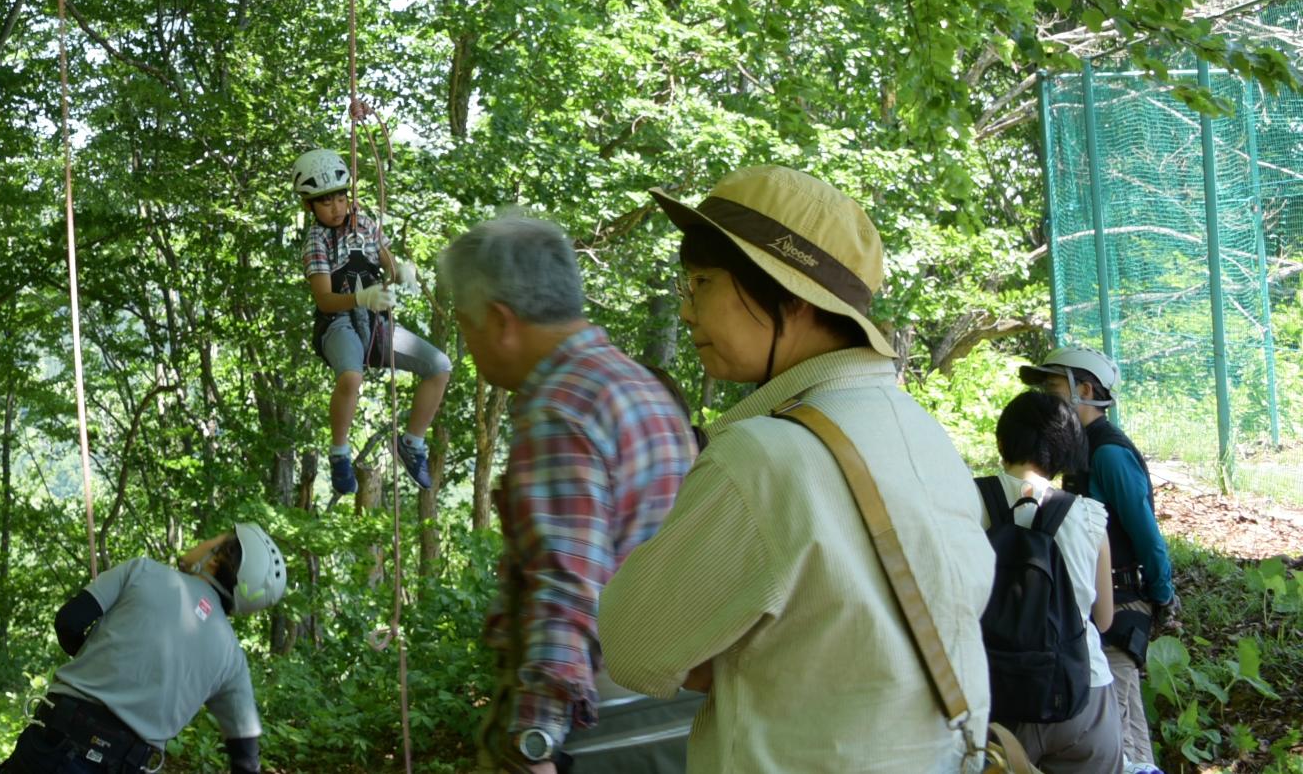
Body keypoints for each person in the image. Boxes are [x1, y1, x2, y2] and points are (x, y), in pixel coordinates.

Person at [600, 165, 996, 774]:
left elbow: (632, 647)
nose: (687, 311)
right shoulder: (922, 434)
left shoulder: (762, 457)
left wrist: (732, 650)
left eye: (701, 281)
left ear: (788, 295)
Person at [438, 214, 694, 774]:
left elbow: (567, 583)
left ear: (501, 321)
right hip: (674, 717)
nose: (468, 344)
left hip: (591, 731)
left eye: (466, 325)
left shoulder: (558, 410)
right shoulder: (639, 386)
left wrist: (534, 739)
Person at [0, 522, 286, 774]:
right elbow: (246, 756)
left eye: (216, 539)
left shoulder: (143, 571)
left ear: (215, 559)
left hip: (56, 741)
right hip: (127, 764)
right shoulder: (232, 659)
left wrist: (94, 658)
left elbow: (68, 621)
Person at [1021, 347, 1177, 773]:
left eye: (1053, 386)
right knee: (1126, 727)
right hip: (1096, 607)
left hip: (1121, 606)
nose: (1046, 396)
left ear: (1084, 390)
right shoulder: (1080, 449)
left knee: (1124, 733)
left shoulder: (1107, 453)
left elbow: (1146, 532)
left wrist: (1163, 593)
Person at [292, 147, 451, 494]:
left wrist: (401, 272)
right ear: (309, 206)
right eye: (325, 202)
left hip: (376, 322)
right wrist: (360, 298)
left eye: (339, 199)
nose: (335, 208)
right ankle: (339, 453)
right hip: (338, 323)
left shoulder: (364, 224)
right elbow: (323, 298)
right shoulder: (315, 243)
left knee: (439, 366)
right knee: (351, 375)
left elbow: (387, 265)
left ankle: (412, 444)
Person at [977, 389, 1119, 774]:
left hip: (993, 697)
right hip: (1082, 695)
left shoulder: (964, 501)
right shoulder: (1089, 516)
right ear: (1066, 451)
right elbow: (1103, 619)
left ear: (1002, 440)